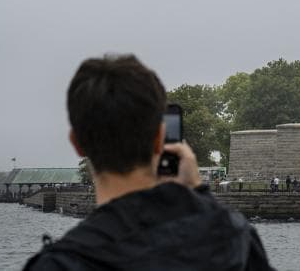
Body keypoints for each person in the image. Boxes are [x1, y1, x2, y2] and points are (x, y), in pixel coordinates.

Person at [24, 54, 272, 270]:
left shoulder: (59, 263)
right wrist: (199, 191)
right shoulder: (233, 240)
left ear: (78, 144)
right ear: (159, 139)